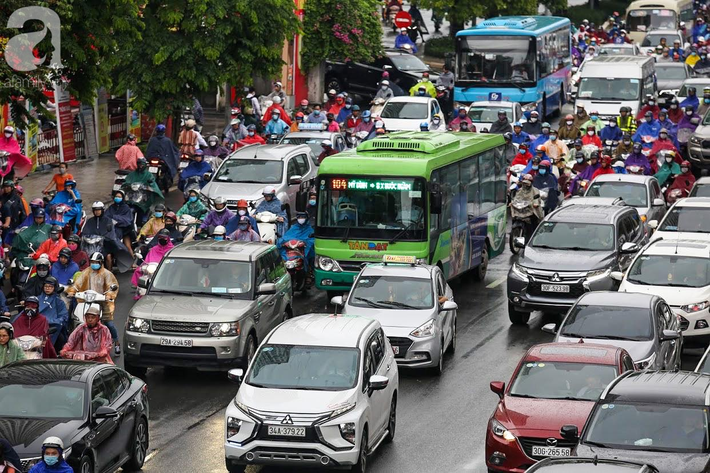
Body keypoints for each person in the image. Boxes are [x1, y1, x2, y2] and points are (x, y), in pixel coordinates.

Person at [66, 253, 119, 356]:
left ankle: (116, 342)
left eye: (96, 262)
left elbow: (112, 286)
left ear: (101, 263)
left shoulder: (107, 274)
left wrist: (109, 295)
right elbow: (78, 283)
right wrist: (72, 290)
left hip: (102, 301)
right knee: (76, 318)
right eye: (92, 262)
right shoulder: (86, 272)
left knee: (109, 324)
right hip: (87, 300)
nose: (94, 264)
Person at [82, 202, 132, 273]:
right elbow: (86, 231)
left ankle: (109, 271)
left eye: (99, 210)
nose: (97, 212)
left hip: (105, 244)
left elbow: (110, 232)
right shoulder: (90, 221)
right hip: (93, 245)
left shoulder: (108, 220)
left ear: (102, 210)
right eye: (95, 210)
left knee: (108, 256)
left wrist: (104, 237)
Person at [131, 229, 173, 298]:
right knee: (139, 270)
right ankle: (138, 287)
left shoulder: (171, 250)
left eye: (164, 238)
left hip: (166, 269)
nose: (162, 239)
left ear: (168, 238)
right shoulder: (154, 249)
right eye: (160, 237)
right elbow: (147, 260)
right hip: (152, 269)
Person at [122, 157, 165, 224]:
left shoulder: (149, 175)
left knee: (144, 209)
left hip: (143, 197)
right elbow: (126, 182)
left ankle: (142, 222)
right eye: (139, 164)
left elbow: (153, 184)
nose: (140, 166)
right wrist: (127, 185)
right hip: (132, 196)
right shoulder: (132, 174)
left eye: (142, 164)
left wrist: (149, 186)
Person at [38, 277, 69, 348]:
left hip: (53, 327)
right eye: (46, 286)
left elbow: (64, 317)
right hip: (38, 325)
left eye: (50, 286)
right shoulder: (37, 299)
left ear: (54, 288)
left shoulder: (59, 302)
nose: (47, 288)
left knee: (60, 337)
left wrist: (51, 321)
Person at [105, 189, 135, 258]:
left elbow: (127, 221)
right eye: (116, 196)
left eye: (119, 197)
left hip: (125, 231)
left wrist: (115, 218)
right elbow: (106, 217)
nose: (117, 198)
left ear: (123, 198)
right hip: (111, 230)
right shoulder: (111, 207)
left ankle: (132, 261)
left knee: (127, 247)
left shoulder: (126, 208)